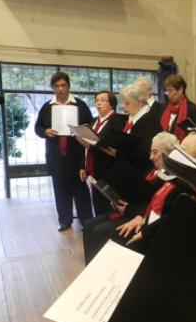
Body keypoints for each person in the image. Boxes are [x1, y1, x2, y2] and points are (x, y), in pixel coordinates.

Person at [82, 131, 180, 263]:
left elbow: (151, 205)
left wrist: (129, 210)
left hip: (138, 215)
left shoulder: (169, 178)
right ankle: (91, 271)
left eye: (155, 152)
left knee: (100, 231)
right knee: (88, 225)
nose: (151, 157)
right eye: (151, 152)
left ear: (169, 154)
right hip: (130, 210)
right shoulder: (153, 170)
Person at [34, 72, 93, 232]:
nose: (60, 89)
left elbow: (90, 126)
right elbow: (37, 128)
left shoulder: (79, 105)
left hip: (77, 155)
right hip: (56, 155)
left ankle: (86, 220)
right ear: (53, 88)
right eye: (57, 86)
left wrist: (80, 132)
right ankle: (65, 220)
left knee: (80, 190)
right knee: (60, 190)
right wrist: (46, 131)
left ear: (69, 86)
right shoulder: (47, 107)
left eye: (63, 85)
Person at [77, 91, 127, 216]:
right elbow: (87, 147)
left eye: (103, 100)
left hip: (107, 170)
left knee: (108, 207)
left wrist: (90, 145)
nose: (99, 103)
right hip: (92, 168)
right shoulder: (93, 121)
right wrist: (83, 165)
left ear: (112, 104)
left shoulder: (118, 121)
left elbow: (109, 146)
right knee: (97, 206)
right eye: (97, 100)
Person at [113, 84, 162, 177]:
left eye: (127, 103)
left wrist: (118, 153)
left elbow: (146, 153)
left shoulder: (149, 121)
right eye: (123, 103)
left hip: (142, 173)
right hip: (129, 170)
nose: (124, 107)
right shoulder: (132, 119)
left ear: (140, 103)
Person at [160, 74, 196, 142]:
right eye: (167, 91)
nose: (168, 94)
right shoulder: (163, 108)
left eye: (171, 90)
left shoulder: (194, 110)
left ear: (180, 90)